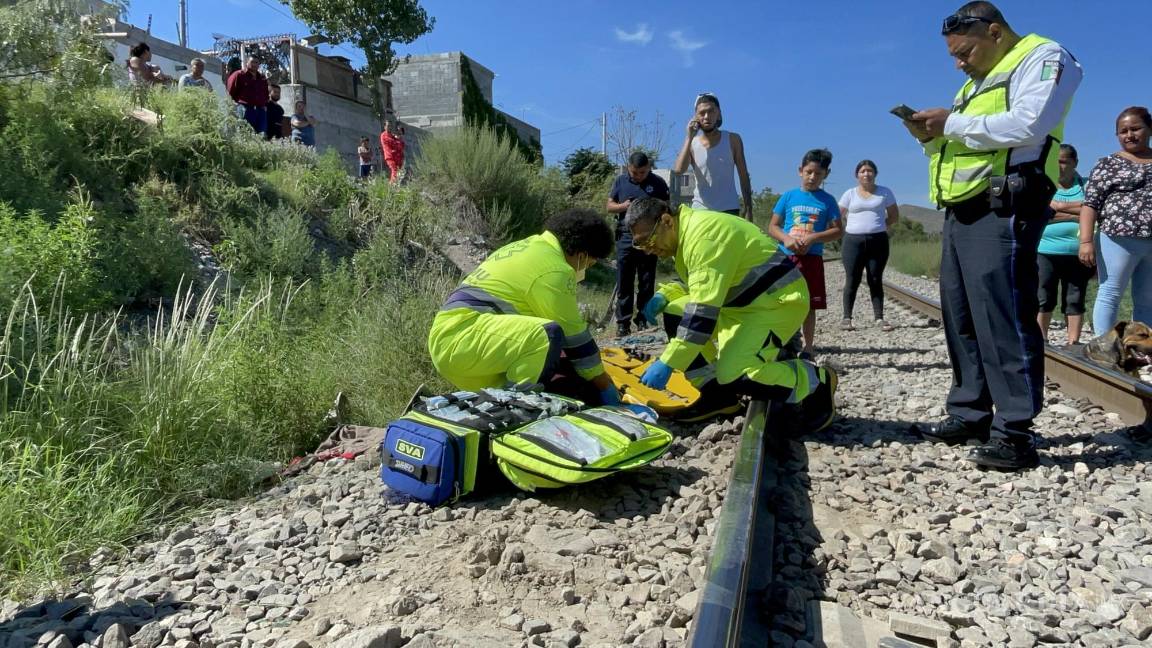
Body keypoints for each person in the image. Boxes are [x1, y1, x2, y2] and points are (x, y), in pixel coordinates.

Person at [900, 1, 1082, 470]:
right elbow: (967, 141)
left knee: (1003, 316)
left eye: (964, 52)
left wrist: (952, 124)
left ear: (994, 32)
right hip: (963, 210)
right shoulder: (973, 84)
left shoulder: (1043, 58)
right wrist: (931, 138)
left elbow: (1029, 124)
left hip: (1006, 205)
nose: (958, 63)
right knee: (961, 315)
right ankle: (970, 413)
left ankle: (1015, 433)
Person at [626, 197, 837, 429]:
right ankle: (716, 396)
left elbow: (700, 316)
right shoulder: (687, 233)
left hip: (775, 304)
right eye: (640, 244)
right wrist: (666, 294)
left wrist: (668, 362)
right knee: (675, 310)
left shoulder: (704, 237)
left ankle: (815, 381)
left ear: (666, 221)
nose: (647, 249)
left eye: (647, 240)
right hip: (742, 305)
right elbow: (705, 281)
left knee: (737, 373)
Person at [427, 208, 622, 405]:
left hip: (460, 338)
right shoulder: (554, 269)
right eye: (588, 264)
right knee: (546, 335)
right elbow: (575, 338)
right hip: (463, 338)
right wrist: (604, 385)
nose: (585, 270)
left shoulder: (528, 247)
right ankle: (515, 407)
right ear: (581, 254)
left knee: (557, 365)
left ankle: (500, 403)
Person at [1078, 107, 1152, 332]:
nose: (1129, 135)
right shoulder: (1107, 163)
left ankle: (1142, 351)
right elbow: (1090, 204)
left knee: (1147, 300)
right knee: (1110, 293)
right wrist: (1086, 241)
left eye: (1135, 129)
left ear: (1149, 129)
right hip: (1117, 240)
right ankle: (1105, 349)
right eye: (1123, 131)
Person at [769, 149, 843, 357]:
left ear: (825, 175)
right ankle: (782, 344)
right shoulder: (788, 196)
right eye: (809, 172)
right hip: (786, 257)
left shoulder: (827, 200)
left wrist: (813, 238)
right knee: (782, 301)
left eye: (818, 174)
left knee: (809, 304)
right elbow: (773, 226)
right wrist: (787, 239)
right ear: (800, 171)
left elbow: (838, 230)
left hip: (812, 259)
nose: (812, 177)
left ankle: (808, 347)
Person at [606, 151, 669, 337]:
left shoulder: (658, 183)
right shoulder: (620, 181)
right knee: (624, 280)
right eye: (635, 173)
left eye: (642, 172)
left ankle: (643, 320)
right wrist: (623, 206)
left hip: (650, 238)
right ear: (629, 168)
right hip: (626, 236)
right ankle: (623, 323)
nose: (638, 176)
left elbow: (667, 208)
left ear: (648, 168)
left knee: (647, 280)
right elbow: (609, 206)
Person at [1037, 144, 1092, 345]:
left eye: (1063, 162)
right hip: (1044, 250)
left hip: (1078, 251)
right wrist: (1078, 213)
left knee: (1075, 298)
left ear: (1075, 163)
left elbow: (1094, 209)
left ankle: (1073, 343)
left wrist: (1058, 208)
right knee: (1044, 296)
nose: (1059, 166)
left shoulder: (1086, 186)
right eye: (1055, 162)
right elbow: (1040, 215)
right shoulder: (1044, 185)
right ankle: (1041, 339)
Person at [838, 160, 899, 332]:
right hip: (852, 242)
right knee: (852, 279)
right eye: (863, 171)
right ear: (857, 175)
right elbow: (838, 215)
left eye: (870, 170)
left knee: (875, 278)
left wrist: (878, 227)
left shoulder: (885, 192)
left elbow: (894, 216)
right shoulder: (849, 194)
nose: (866, 174)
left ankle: (879, 318)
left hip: (878, 241)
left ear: (875, 174)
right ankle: (846, 318)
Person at [671, 93, 753, 219]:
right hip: (700, 211)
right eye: (702, 113)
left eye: (711, 111)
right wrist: (689, 137)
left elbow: (743, 176)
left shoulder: (733, 139)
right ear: (696, 117)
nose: (706, 116)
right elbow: (678, 170)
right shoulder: (692, 143)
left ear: (718, 113)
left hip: (729, 210)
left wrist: (748, 208)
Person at [226, 56, 269, 134]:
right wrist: (235, 106)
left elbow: (266, 94)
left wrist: (264, 106)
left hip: (260, 111)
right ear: (247, 63)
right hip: (245, 109)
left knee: (262, 135)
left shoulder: (262, 78)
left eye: (256, 62)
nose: (254, 64)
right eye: (252, 62)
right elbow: (230, 91)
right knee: (245, 134)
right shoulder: (239, 75)